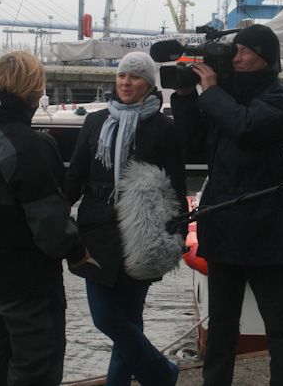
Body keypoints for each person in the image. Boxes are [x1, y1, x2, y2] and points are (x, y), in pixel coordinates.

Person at [170, 24, 283, 386]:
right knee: (221, 322)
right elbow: (194, 145)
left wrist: (212, 92)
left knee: (279, 321)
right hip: (221, 219)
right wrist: (185, 97)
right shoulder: (225, 96)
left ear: (266, 59)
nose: (237, 57)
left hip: (263, 221)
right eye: (236, 50)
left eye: (246, 51)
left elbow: (245, 126)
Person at [0, 51, 88, 386]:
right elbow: (51, 228)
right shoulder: (31, 145)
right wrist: (79, 251)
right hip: (26, 290)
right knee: (35, 370)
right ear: (33, 90)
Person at [65, 51, 185, 386]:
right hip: (97, 230)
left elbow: (174, 186)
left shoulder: (163, 128)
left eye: (134, 77)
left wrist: (177, 232)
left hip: (143, 233)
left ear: (148, 83)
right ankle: (162, 374)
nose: (126, 82)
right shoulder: (95, 122)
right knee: (105, 317)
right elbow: (75, 176)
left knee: (130, 318)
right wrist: (55, 214)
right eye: (121, 76)